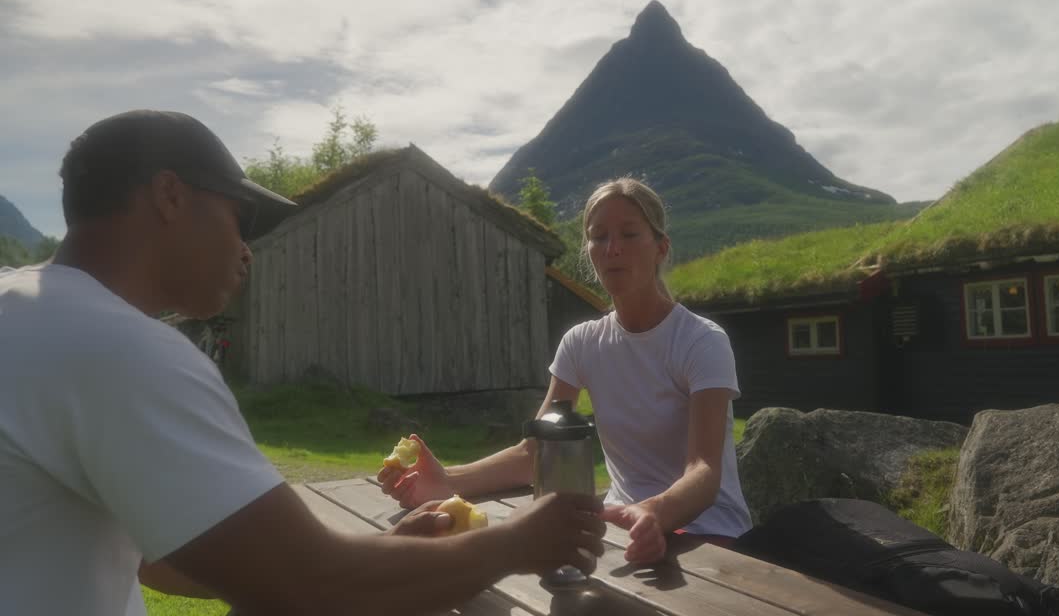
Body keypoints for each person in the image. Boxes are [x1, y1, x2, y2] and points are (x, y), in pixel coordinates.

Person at [0, 110, 605, 616]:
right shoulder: (120, 350)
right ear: (169, 196)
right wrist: (517, 542)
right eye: (239, 218)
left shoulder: (25, 311)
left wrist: (370, 559)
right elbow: (311, 587)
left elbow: (156, 555)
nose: (246, 250)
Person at [380, 177, 752, 564]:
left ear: (660, 248)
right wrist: (446, 481)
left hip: (710, 533)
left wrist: (653, 513)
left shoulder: (701, 341)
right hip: (620, 529)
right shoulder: (581, 343)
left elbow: (704, 471)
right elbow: (536, 453)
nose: (612, 249)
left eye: (628, 234)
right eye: (598, 237)